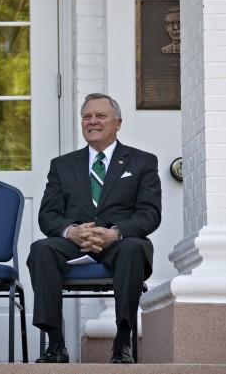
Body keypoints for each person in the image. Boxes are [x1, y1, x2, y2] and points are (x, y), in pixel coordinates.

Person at [27, 93, 162, 364]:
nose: (93, 122)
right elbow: (48, 215)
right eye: (87, 116)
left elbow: (150, 214)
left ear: (118, 122)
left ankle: (122, 342)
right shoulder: (62, 165)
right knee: (41, 249)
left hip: (119, 242)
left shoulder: (142, 162)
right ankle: (56, 345)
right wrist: (72, 231)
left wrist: (115, 232)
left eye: (101, 116)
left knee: (135, 247)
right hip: (75, 242)